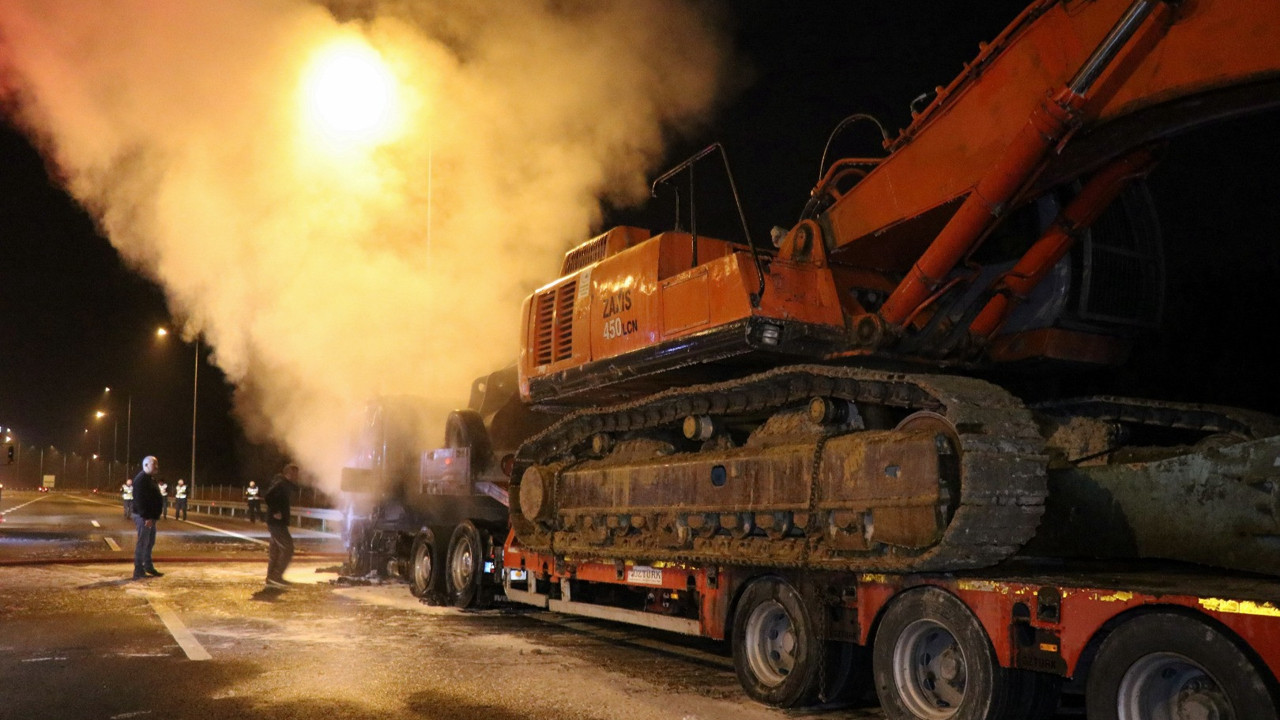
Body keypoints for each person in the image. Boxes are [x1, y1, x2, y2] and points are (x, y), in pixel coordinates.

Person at [263, 463, 299, 588]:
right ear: (289, 473)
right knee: (288, 548)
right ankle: (276, 576)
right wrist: (275, 511)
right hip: (276, 522)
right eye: (295, 474)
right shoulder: (281, 483)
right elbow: (268, 496)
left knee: (275, 550)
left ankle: (271, 578)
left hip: (276, 522)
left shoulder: (283, 483)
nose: (297, 477)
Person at [131, 456, 164, 580]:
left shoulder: (150, 478)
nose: (156, 466)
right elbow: (140, 501)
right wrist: (146, 517)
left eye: (157, 463)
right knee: (143, 543)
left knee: (150, 542)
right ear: (146, 465)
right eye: (154, 464)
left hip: (150, 516)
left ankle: (148, 566)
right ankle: (138, 570)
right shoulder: (141, 480)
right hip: (144, 517)